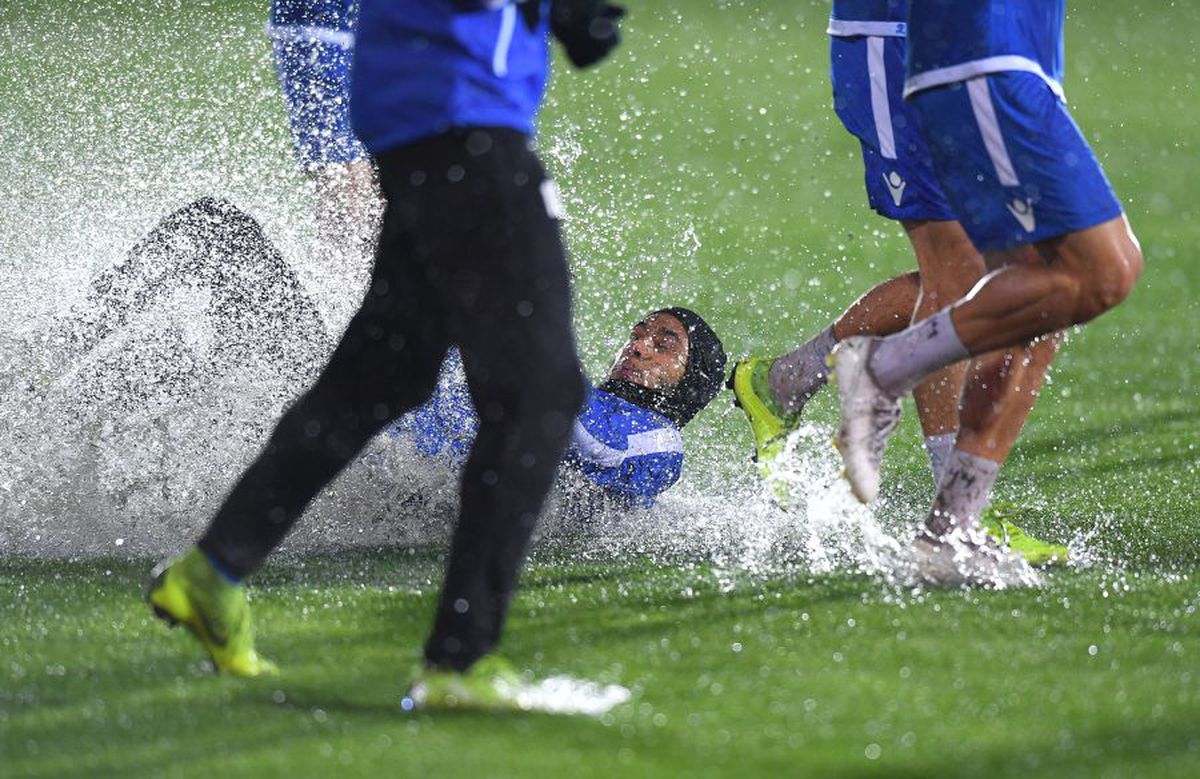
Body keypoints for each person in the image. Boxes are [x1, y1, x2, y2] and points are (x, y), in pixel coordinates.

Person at [147, 0, 629, 714]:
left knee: (381, 375)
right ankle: (458, 660)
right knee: (540, 395)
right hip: (466, 123)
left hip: (425, 119)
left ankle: (213, 570)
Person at [729, 0, 1065, 564]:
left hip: (1012, 42)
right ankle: (956, 516)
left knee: (1034, 278)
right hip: (905, 38)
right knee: (958, 276)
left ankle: (786, 380)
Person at [829, 0, 1142, 586]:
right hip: (980, 54)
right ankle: (882, 367)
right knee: (1101, 271)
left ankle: (950, 533)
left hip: (1012, 55)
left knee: (1037, 297)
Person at [400, 308, 726, 511]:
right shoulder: (575, 399)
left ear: (693, 378)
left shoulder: (660, 441)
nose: (637, 347)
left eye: (663, 345)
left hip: (405, 470)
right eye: (636, 336)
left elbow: (590, 438)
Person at [267, 0, 381, 266]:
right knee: (344, 183)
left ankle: (377, 286)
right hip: (321, 26)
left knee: (378, 179)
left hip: (378, 27)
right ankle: (339, 287)